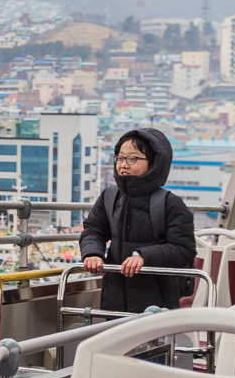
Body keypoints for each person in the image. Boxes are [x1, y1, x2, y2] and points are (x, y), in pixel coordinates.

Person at [79, 128, 196, 314]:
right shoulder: (110, 196)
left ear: (154, 163)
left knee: (154, 342)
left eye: (133, 159)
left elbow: (184, 249)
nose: (123, 165)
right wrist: (93, 253)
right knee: (116, 340)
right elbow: (93, 230)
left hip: (158, 300)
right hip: (113, 298)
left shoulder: (170, 203)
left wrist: (144, 256)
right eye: (120, 158)